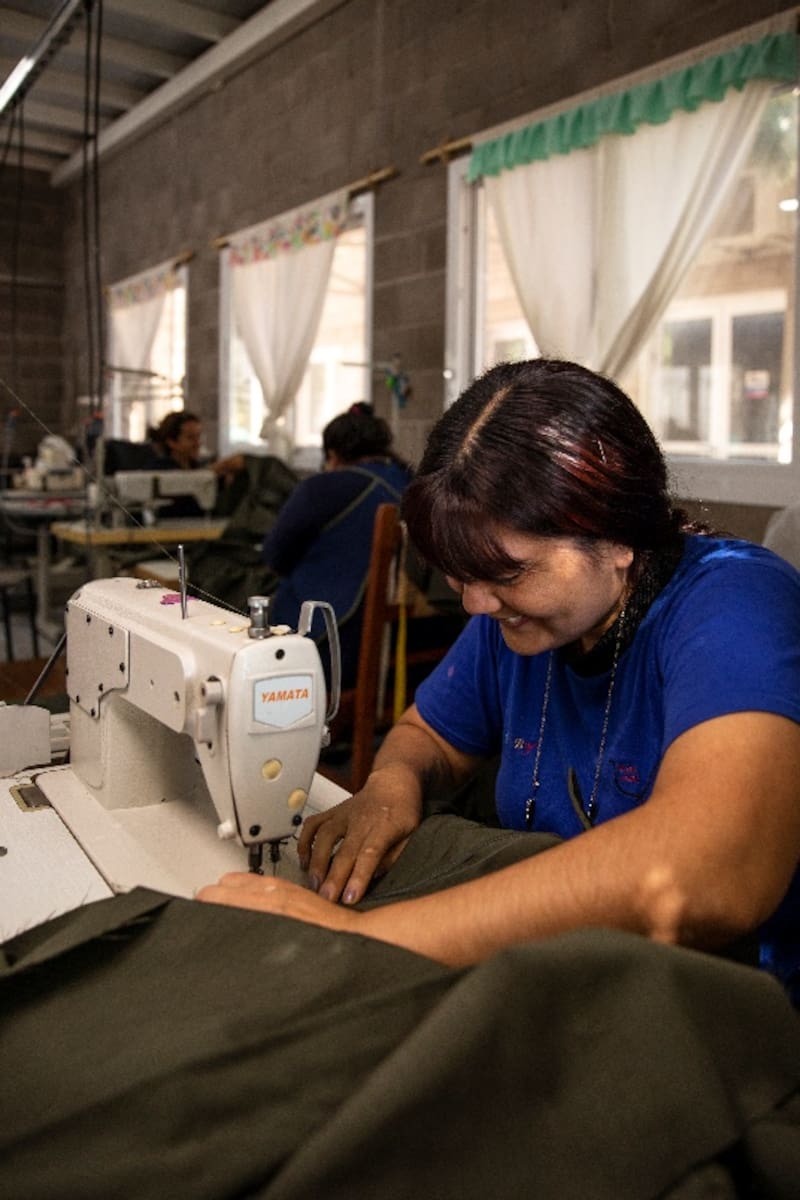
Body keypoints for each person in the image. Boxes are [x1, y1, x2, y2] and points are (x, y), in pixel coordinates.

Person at [198, 359, 800, 1006]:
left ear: (619, 537)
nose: (476, 606)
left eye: (508, 575)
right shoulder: (521, 619)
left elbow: (715, 866)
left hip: (740, 1011)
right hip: (592, 978)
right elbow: (429, 731)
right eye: (460, 577)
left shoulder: (736, 604)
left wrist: (371, 938)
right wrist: (393, 783)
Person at [261, 402, 413, 688]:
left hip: (336, 645)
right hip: (406, 645)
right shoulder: (412, 484)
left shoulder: (323, 488)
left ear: (332, 455)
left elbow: (274, 557)